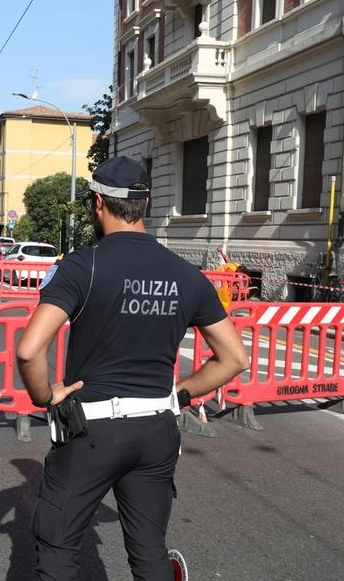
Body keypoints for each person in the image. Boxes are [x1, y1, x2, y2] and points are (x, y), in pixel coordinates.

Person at [15, 156, 249, 580]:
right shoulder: (187, 275)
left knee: (58, 548)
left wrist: (45, 397)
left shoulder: (81, 267)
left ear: (97, 203)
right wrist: (179, 394)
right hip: (157, 429)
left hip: (92, 432)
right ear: (144, 205)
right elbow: (234, 358)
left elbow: (30, 350)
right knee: (148, 552)